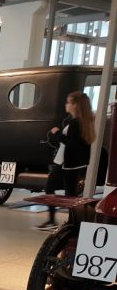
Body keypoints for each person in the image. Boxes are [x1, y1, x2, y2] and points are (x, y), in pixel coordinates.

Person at [39, 91, 95, 230]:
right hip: (73, 163)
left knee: (50, 187)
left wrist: (57, 132)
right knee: (71, 193)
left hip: (66, 163)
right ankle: (73, 222)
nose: (66, 105)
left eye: (68, 102)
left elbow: (71, 143)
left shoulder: (75, 123)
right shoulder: (83, 121)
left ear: (75, 105)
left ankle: (52, 221)